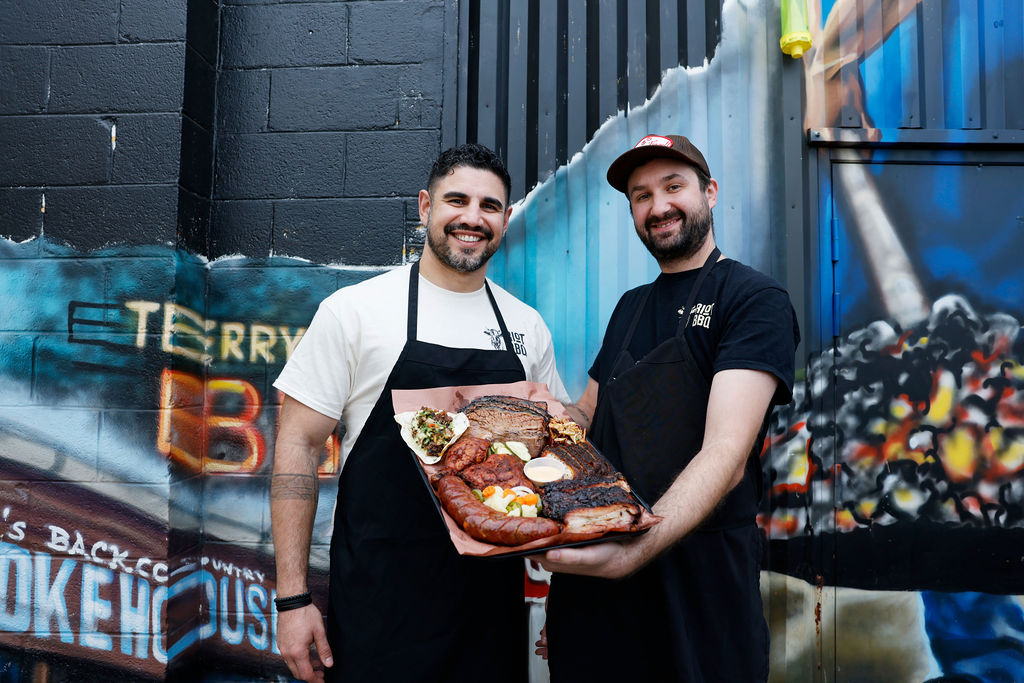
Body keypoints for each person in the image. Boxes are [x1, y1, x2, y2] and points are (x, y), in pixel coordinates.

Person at [270, 143, 570, 683]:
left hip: (490, 613)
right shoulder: (355, 311)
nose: (472, 218)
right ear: (426, 206)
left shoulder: (527, 327)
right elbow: (297, 444)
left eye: (489, 206)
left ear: (505, 219)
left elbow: (555, 458)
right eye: (457, 200)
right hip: (379, 604)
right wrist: (292, 599)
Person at [538, 134, 800, 681]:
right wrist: (529, 414)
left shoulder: (753, 299)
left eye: (673, 186)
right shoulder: (630, 307)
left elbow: (726, 454)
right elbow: (587, 417)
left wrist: (634, 553)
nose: (658, 206)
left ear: (710, 192)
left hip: (700, 593)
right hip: (599, 592)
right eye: (641, 196)